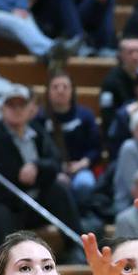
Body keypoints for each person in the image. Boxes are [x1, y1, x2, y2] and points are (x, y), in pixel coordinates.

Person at [0, 85, 85, 259]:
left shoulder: (37, 132)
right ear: (2, 109)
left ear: (29, 109)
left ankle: (77, 248)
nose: (17, 110)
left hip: (31, 201)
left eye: (22, 105)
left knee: (59, 189)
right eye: (12, 106)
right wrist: (38, 174)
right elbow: (11, 176)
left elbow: (55, 161)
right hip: (3, 202)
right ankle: (6, 265)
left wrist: (37, 166)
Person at [35, 72, 102, 208]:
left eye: (65, 87)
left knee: (85, 184)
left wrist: (81, 164)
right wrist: (57, 169)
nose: (60, 90)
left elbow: (96, 148)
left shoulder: (85, 115)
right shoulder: (39, 118)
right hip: (51, 170)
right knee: (58, 184)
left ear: (72, 91)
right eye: (55, 87)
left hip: (80, 167)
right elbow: (36, 151)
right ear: (48, 91)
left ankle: (83, 219)